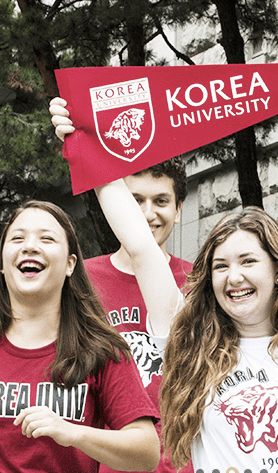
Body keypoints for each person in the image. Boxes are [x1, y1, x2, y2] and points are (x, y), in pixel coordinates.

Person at [53, 60, 278, 471]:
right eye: (220, 266)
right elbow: (140, 246)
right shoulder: (192, 344)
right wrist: (82, 144)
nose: (234, 276)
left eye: (248, 261)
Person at [0, 200, 160, 472]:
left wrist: (72, 433)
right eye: (17, 238)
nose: (29, 246)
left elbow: (146, 452)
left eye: (47, 239)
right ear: (2, 264)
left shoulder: (102, 350)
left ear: (70, 264)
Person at [80, 158, 192, 473]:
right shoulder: (81, 282)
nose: (147, 213)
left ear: (178, 210)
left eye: (161, 201)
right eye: (135, 201)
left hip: (183, 462)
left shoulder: (199, 282)